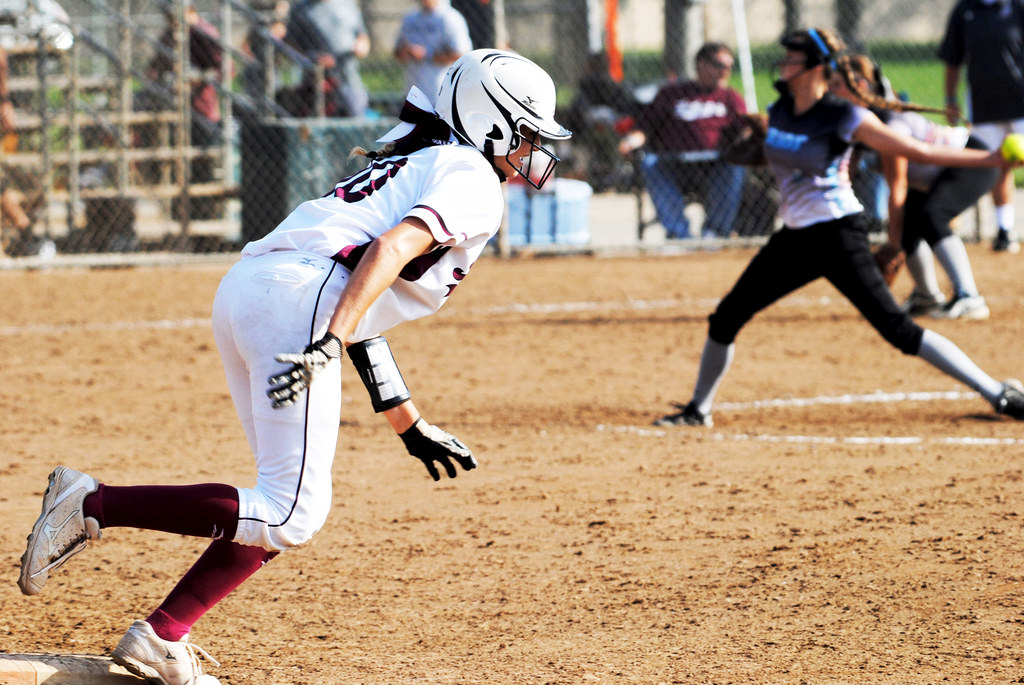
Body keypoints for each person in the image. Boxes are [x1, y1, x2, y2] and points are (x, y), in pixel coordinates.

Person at [17, 49, 570, 685]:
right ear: (490, 122)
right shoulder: (474, 178)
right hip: (302, 301)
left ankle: (162, 635)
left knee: (278, 505)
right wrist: (330, 338)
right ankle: (94, 502)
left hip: (255, 289)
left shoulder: (423, 159)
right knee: (290, 513)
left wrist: (407, 422)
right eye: (527, 134)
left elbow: (364, 302)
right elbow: (386, 255)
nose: (534, 152)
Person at [653, 28, 1024, 428]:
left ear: (815, 67)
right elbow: (783, 153)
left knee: (898, 331)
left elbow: (916, 151)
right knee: (726, 318)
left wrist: (991, 162)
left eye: (792, 58)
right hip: (794, 237)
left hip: (837, 235)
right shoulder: (779, 110)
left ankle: (997, 393)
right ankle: (698, 410)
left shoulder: (843, 114)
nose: (783, 64)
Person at [830, 53, 995, 321]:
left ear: (860, 86)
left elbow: (898, 186)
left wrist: (893, 244)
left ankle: (969, 297)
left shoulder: (889, 123)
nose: (829, 90)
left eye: (836, 84)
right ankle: (927, 297)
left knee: (932, 215)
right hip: (939, 174)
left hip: (972, 160)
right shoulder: (858, 121)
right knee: (909, 222)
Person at [625, 42, 747, 239]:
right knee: (649, 163)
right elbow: (644, 128)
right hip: (673, 164)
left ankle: (714, 234)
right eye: (720, 65)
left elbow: (745, 129)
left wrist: (749, 141)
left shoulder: (730, 97)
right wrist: (630, 142)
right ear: (701, 65)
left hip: (715, 165)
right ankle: (680, 235)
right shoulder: (672, 93)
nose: (726, 71)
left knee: (735, 165)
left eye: (729, 66)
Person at [939, 0, 1024, 254]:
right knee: (996, 166)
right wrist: (951, 99)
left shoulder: (1018, 6)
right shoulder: (965, 9)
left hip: (1021, 102)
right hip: (983, 105)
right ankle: (1004, 230)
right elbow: (952, 59)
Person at [285, 0, 370, 117]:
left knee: (355, 116)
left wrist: (360, 47)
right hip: (315, 83)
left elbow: (363, 38)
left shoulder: (349, 6)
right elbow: (290, 44)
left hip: (349, 80)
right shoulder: (300, 9)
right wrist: (313, 57)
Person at [393, 0, 473, 104]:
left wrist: (427, 54)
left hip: (441, 94)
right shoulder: (410, 18)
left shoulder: (450, 18)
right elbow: (397, 53)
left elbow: (461, 55)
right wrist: (406, 52)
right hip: (413, 93)